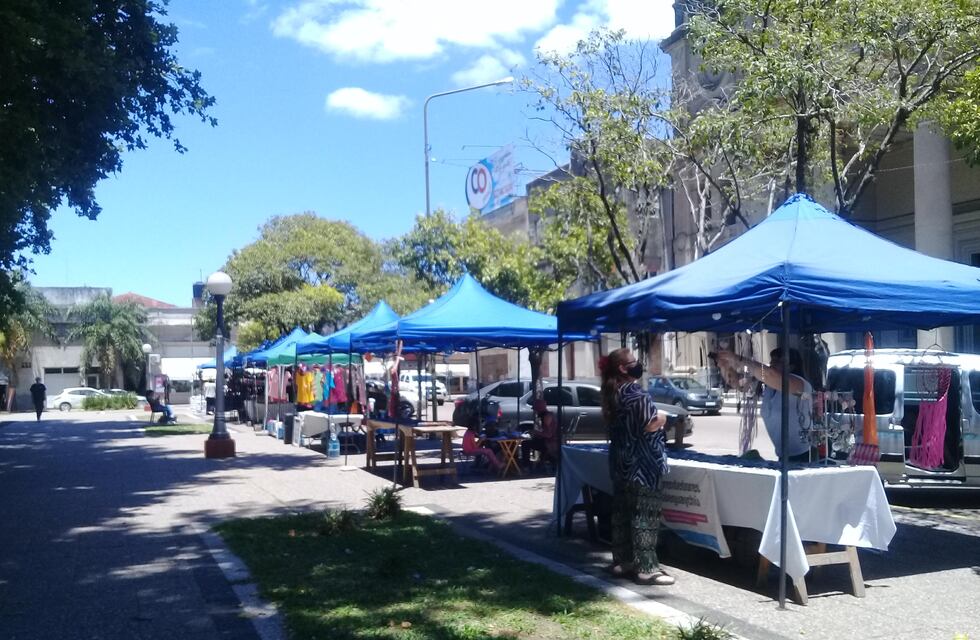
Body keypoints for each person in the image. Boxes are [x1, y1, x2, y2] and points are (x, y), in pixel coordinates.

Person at [600, 348, 673, 586]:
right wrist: (662, 418)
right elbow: (650, 425)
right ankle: (646, 567)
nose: (637, 364)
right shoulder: (636, 394)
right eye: (633, 361)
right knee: (645, 514)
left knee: (622, 513)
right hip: (643, 464)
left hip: (620, 462)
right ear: (623, 368)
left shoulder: (612, 393)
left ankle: (623, 561)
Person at [717, 347, 813, 462]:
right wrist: (726, 367)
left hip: (805, 456)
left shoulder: (800, 385)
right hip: (783, 457)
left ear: (792, 366)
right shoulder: (768, 386)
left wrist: (737, 359)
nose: (772, 364)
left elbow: (768, 374)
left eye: (778, 362)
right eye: (772, 361)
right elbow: (739, 384)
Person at [521, 397, 559, 469]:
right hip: (548, 441)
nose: (536, 412)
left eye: (536, 410)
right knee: (529, 442)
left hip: (550, 444)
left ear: (539, 409)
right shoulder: (547, 415)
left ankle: (526, 466)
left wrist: (536, 432)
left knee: (525, 444)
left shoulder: (546, 417)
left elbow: (549, 434)